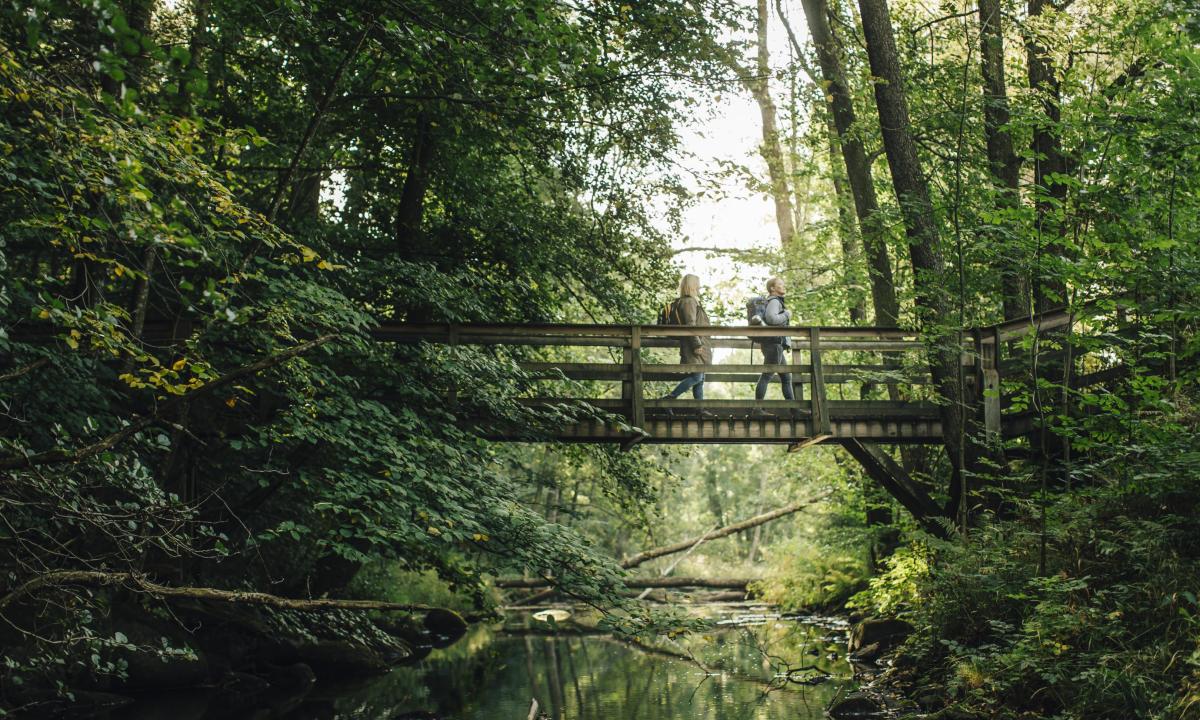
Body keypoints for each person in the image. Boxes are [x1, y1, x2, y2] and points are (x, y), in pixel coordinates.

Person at [661, 274, 715, 417]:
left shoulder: (691, 301)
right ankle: (669, 400)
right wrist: (697, 344)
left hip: (698, 344)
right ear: (691, 285)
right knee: (697, 377)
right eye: (697, 284)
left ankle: (700, 409)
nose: (699, 286)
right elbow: (690, 324)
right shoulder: (688, 302)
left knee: (700, 379)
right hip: (694, 345)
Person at [754, 277, 794, 414]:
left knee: (786, 377)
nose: (784, 286)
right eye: (780, 284)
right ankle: (757, 408)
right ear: (772, 288)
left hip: (775, 345)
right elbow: (771, 319)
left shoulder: (774, 301)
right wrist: (787, 314)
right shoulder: (774, 301)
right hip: (774, 344)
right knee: (767, 376)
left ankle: (793, 409)